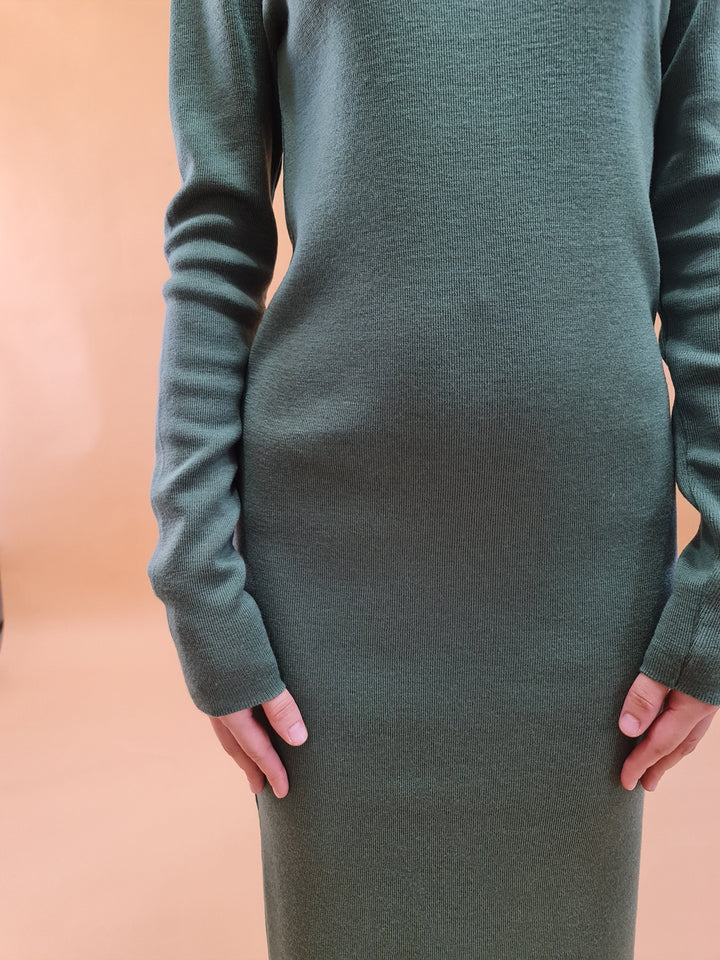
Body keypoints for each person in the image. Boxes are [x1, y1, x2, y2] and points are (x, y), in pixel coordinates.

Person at [147, 1, 720, 957]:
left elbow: (706, 218)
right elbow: (217, 226)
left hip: (577, 567)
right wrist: (194, 572)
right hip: (333, 571)